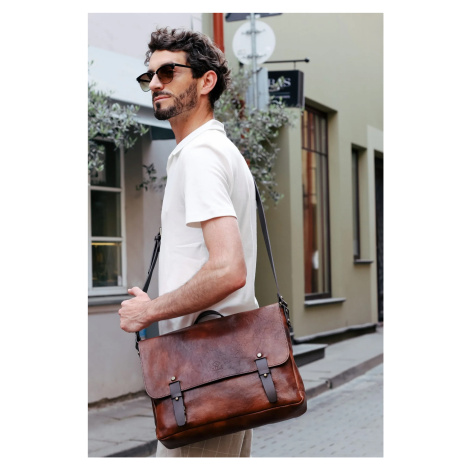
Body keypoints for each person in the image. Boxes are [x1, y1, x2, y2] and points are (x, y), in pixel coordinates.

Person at [118, 27, 259, 458]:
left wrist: (150, 311)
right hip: (220, 366)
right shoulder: (213, 150)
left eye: (168, 72)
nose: (154, 84)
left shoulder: (201, 155)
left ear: (205, 81)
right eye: (149, 76)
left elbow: (228, 269)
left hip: (206, 371)